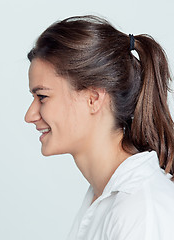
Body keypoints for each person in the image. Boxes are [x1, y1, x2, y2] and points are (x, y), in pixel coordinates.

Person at [25, 15, 174, 239]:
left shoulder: (141, 210)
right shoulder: (103, 198)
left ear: (93, 99)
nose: (30, 115)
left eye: (42, 96)